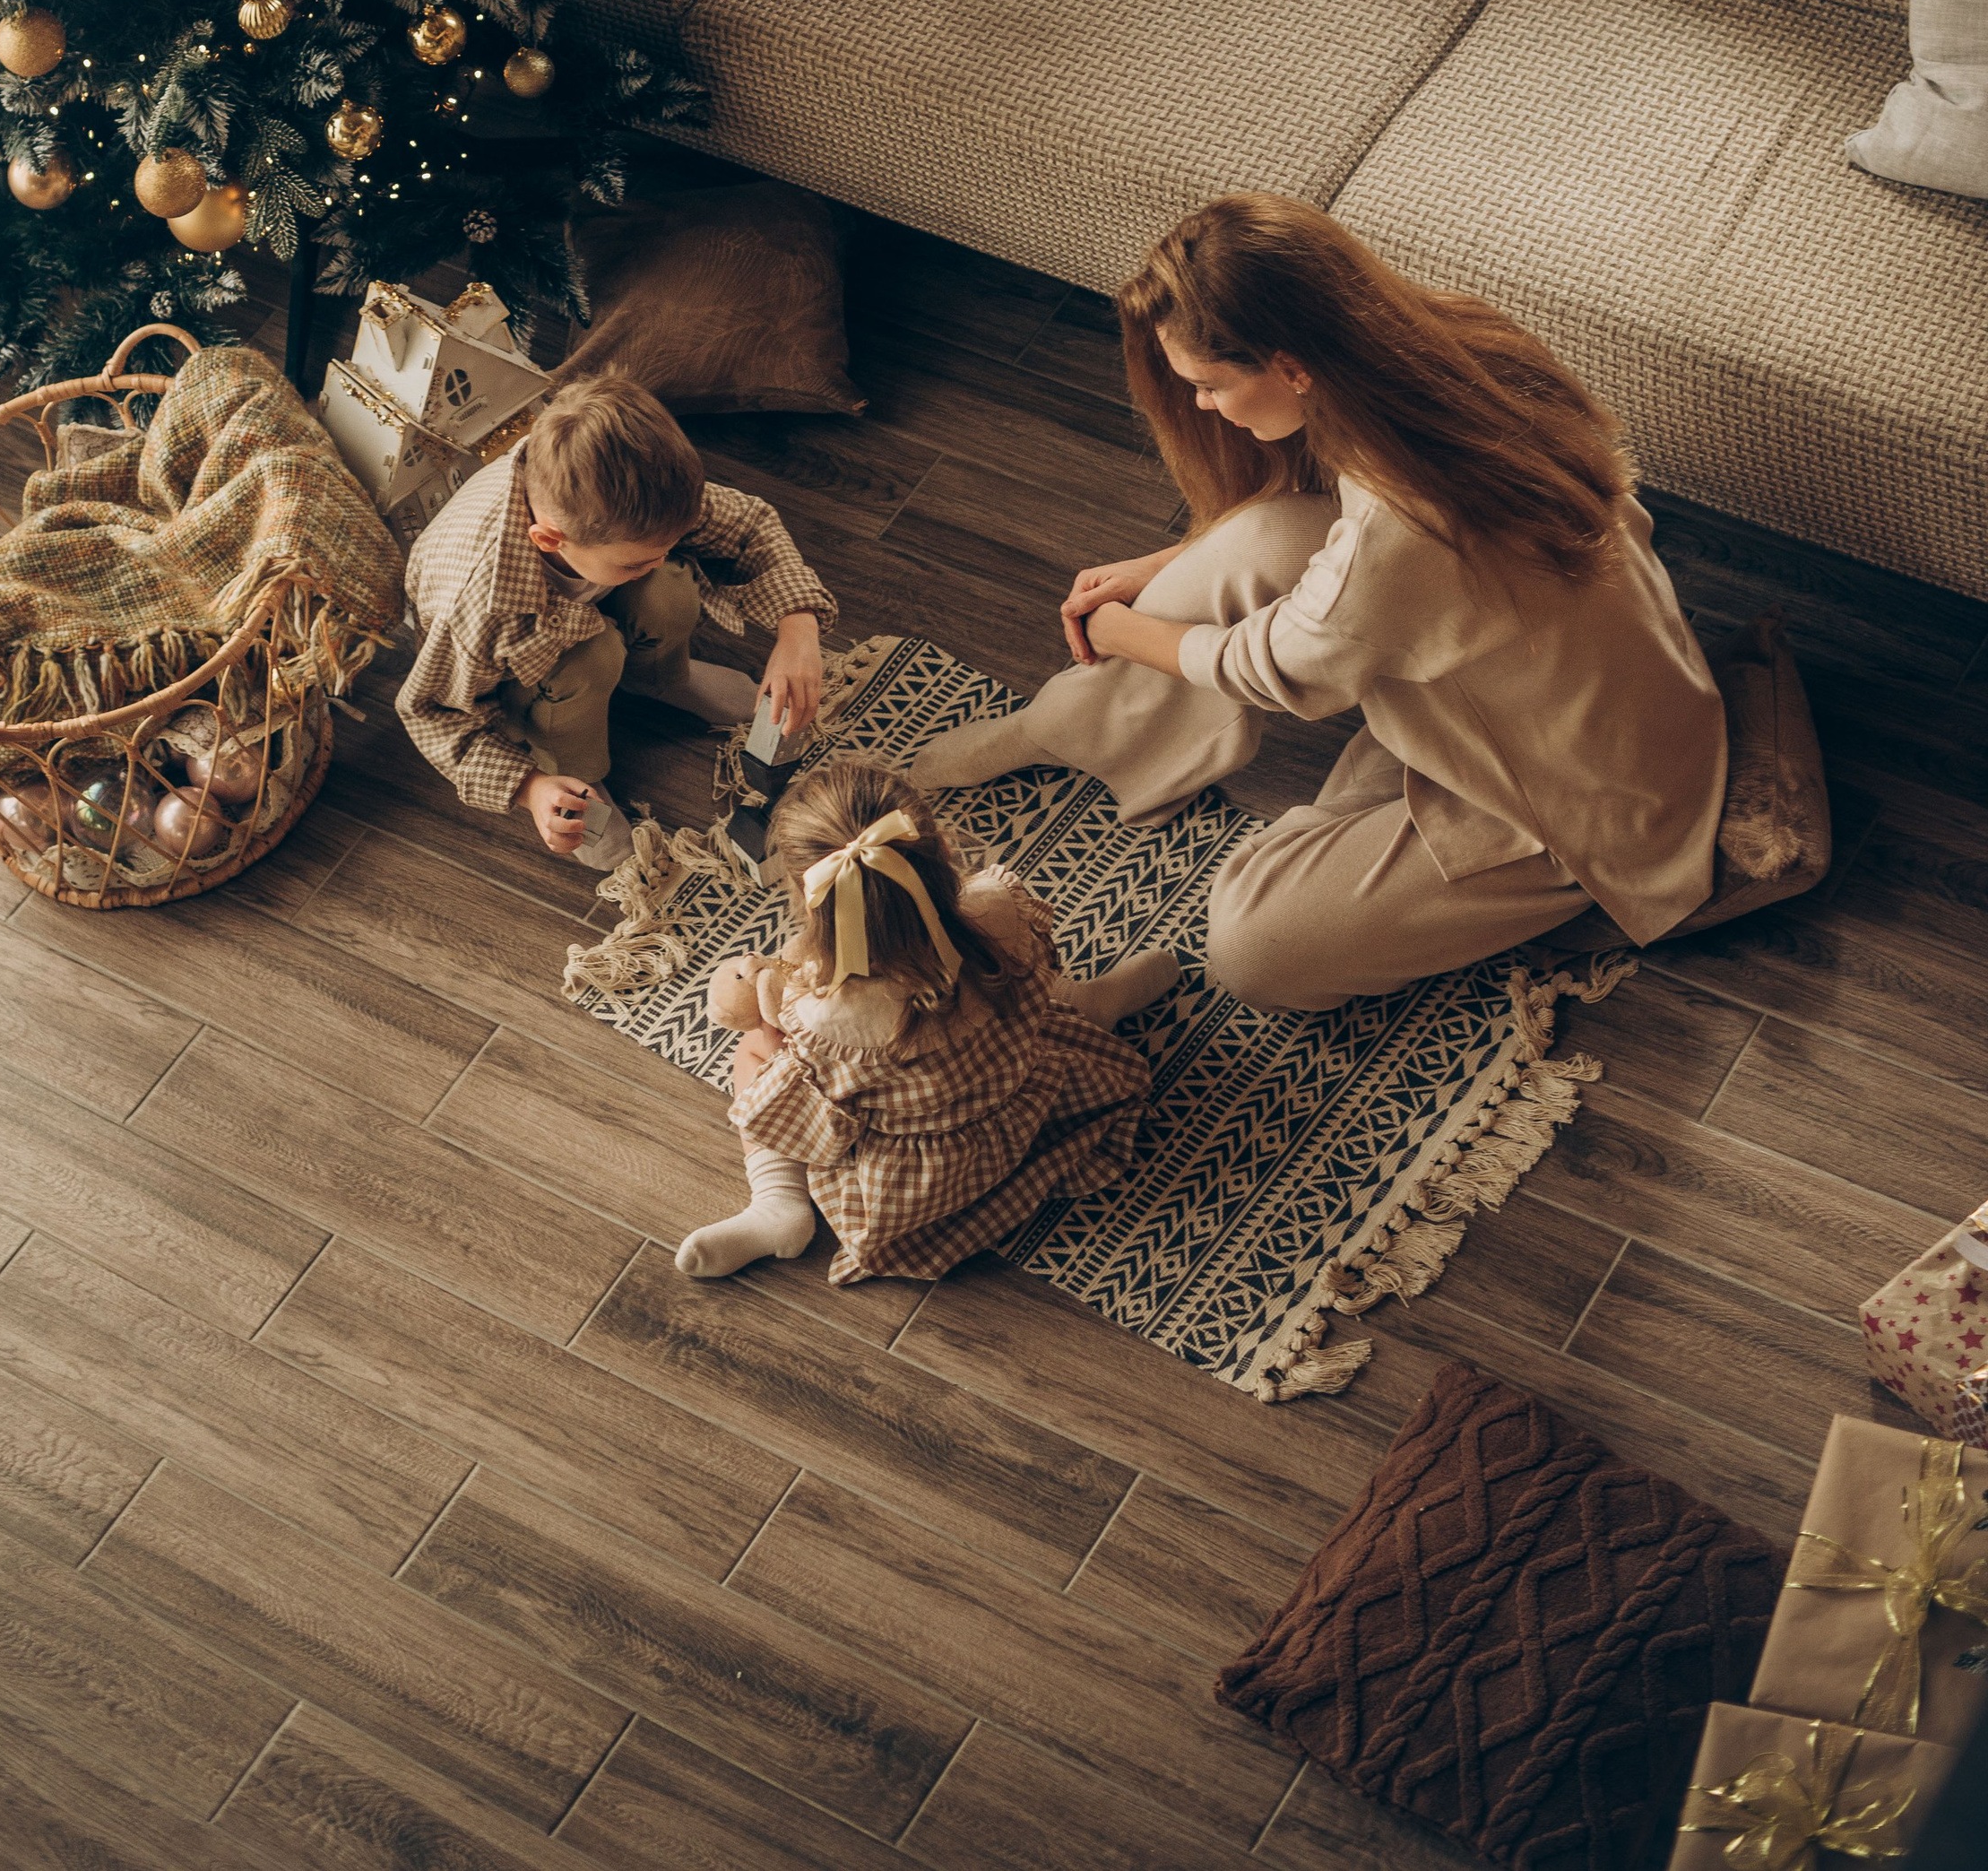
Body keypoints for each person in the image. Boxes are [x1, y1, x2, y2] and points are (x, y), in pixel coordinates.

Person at [909, 195, 1729, 1009]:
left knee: (1252, 949)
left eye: (1209, 383)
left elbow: (1265, 665)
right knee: (1246, 548)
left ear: (1292, 366)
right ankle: (1061, 727)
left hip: (1581, 795)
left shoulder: (1401, 529)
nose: (1200, 405)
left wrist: (1122, 630)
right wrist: (1165, 566)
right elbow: (1347, 555)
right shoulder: (1460, 339)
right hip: (1581, 681)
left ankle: (1369, 820)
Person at [675, 749, 1178, 1283]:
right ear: (938, 849)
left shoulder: (821, 1017)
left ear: (806, 894)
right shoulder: (998, 908)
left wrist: (772, 997)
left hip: (925, 1178)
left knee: (754, 1046)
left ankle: (778, 1204)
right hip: (1030, 1102)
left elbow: (813, 1123)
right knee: (1024, 994)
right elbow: (1038, 970)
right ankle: (1095, 1007)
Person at [399, 373, 834, 871]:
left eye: (670, 545)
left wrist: (798, 628)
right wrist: (530, 788)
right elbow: (432, 714)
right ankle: (574, 769)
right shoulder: (474, 608)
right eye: (634, 562)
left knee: (670, 589)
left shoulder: (627, 494)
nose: (660, 559)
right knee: (593, 658)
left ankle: (666, 678)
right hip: (515, 667)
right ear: (548, 539)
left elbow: (747, 526)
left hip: (580, 596)